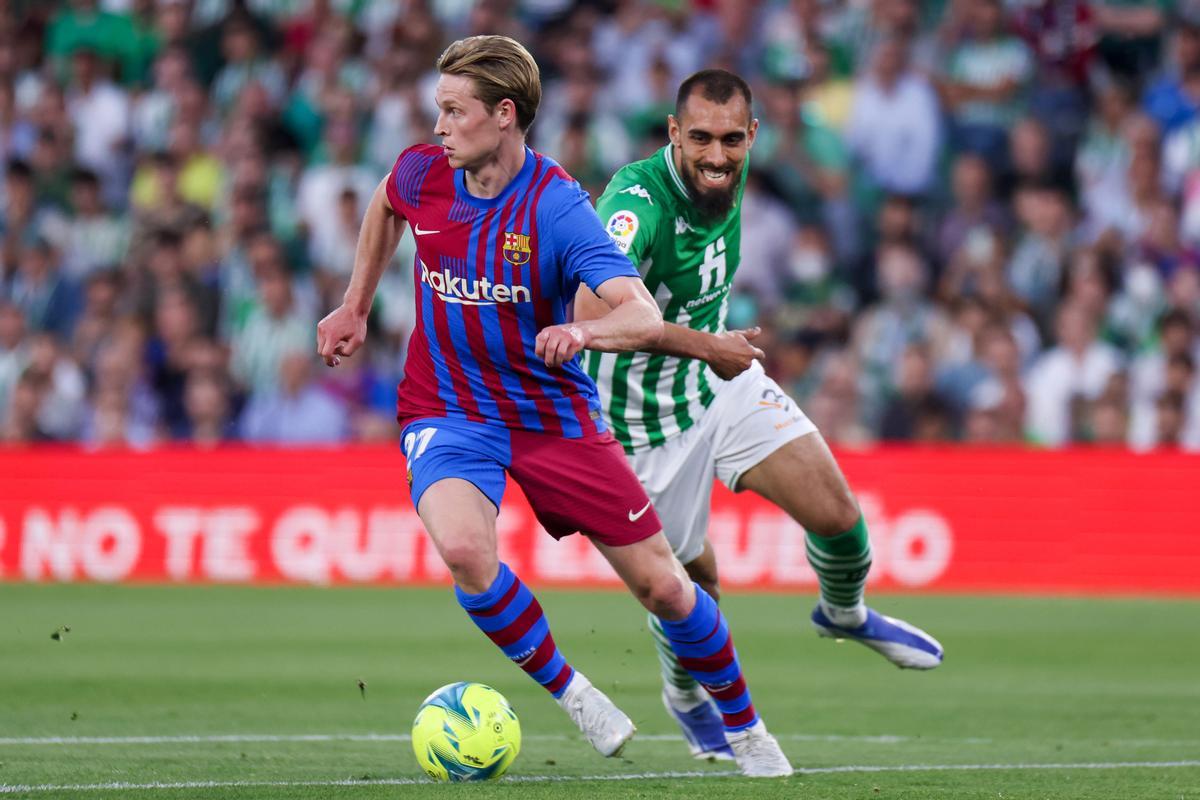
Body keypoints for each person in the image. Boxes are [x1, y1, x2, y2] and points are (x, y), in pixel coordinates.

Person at [315, 37, 791, 777]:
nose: (438, 127)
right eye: (437, 110)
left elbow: (636, 314)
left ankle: (746, 726)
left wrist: (584, 329)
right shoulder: (423, 172)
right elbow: (385, 205)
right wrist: (354, 305)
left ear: (504, 115)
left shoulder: (559, 208)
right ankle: (576, 696)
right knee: (468, 555)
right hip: (448, 405)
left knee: (667, 586)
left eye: (453, 111)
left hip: (551, 414)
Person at [578, 69, 944, 761]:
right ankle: (684, 696)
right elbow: (592, 318)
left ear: (752, 136)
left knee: (838, 515)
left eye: (731, 141)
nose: (717, 158)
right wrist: (707, 344)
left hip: (719, 384)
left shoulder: (734, 169)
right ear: (672, 135)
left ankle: (845, 613)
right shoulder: (634, 203)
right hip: (636, 427)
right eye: (701, 141)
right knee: (693, 595)